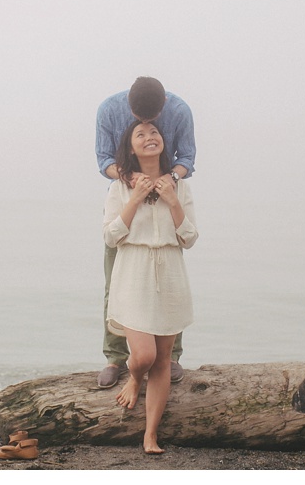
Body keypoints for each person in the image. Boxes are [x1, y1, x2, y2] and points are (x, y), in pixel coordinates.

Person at [103, 120, 197, 454]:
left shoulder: (180, 186)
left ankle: (150, 434)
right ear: (130, 147)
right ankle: (132, 377)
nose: (150, 137)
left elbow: (189, 238)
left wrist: (172, 200)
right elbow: (111, 236)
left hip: (170, 271)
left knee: (162, 360)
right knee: (143, 355)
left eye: (155, 132)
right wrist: (136, 197)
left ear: (164, 140)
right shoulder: (120, 187)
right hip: (134, 272)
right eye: (140, 134)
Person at [95, 77, 196, 388]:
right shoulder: (109, 110)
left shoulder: (180, 111)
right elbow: (104, 161)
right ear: (129, 105)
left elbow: (187, 159)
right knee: (115, 283)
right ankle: (114, 357)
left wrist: (170, 181)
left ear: (164, 103)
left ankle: (173, 355)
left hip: (166, 198)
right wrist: (131, 179)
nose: (146, 125)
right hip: (127, 197)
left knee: (169, 285)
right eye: (139, 122)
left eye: (152, 123)